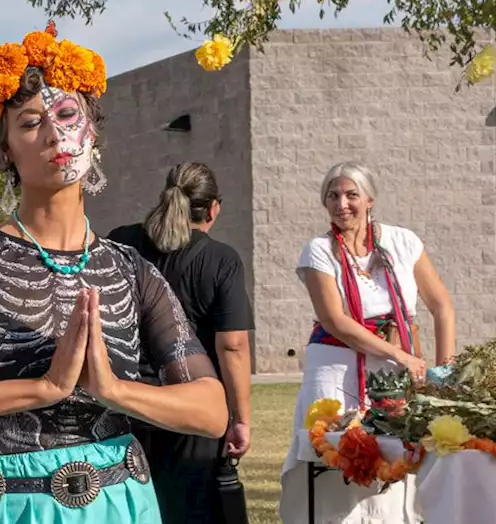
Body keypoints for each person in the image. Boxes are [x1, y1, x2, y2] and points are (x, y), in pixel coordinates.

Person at [0, 23, 227, 524]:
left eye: (67, 113)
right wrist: (45, 388)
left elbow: (212, 410)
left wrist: (113, 390)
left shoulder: (131, 269)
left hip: (122, 505)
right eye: (29, 123)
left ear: (92, 132)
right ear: (3, 148)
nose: (54, 132)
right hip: (10, 508)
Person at [279, 162, 456, 523]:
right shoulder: (318, 250)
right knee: (335, 459)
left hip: (394, 373)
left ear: (370, 199)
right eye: (333, 195)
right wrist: (399, 354)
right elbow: (336, 321)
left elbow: (441, 306)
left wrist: (444, 373)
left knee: (398, 461)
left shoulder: (402, 242)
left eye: (351, 195)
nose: (341, 203)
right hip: (336, 369)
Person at [108, 162, 254, 523]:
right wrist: (240, 419)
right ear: (214, 208)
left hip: (126, 399)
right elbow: (232, 345)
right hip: (191, 404)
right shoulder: (221, 260)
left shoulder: (121, 242)